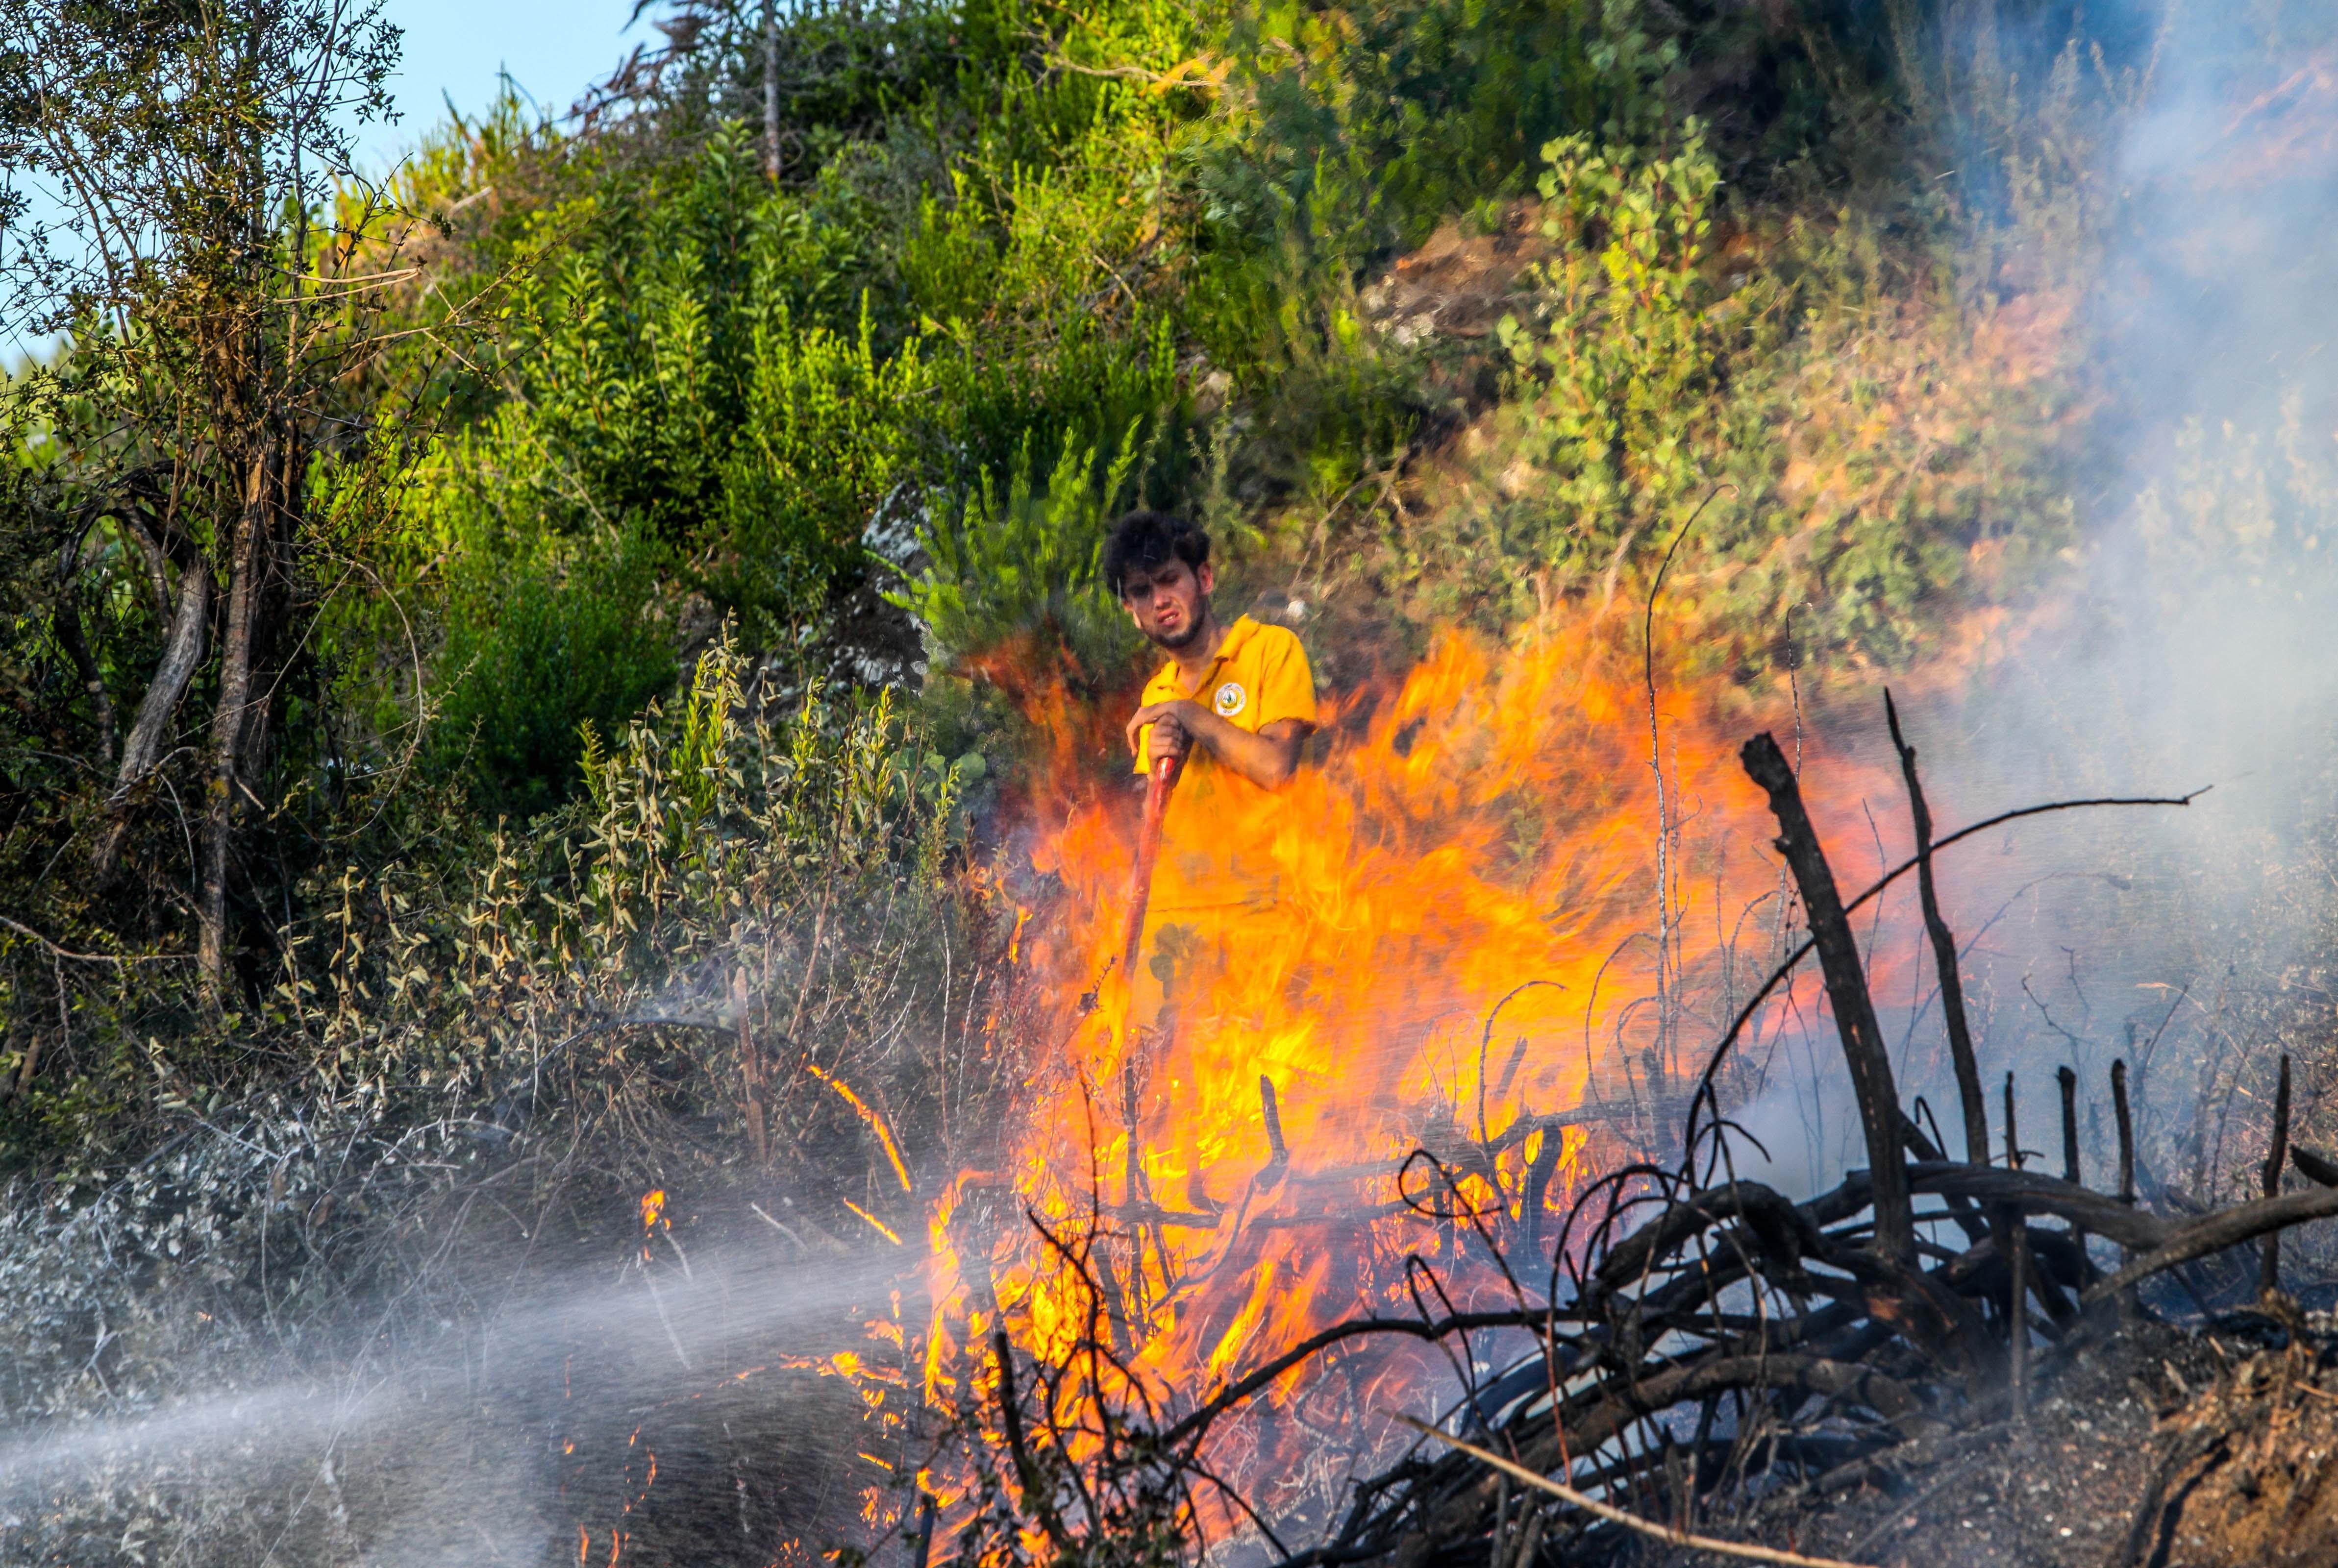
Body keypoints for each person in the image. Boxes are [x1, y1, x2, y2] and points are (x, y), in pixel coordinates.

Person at [1103, 510, 1317, 1054]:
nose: (1160, 600)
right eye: (1142, 592)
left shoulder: (1271, 649)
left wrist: (1189, 715)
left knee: (1270, 1087)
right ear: (1131, 613)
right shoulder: (1156, 696)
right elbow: (1149, 833)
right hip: (1173, 929)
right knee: (1153, 1097)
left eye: (1170, 579)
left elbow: (1276, 768)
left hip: (1262, 916)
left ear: (1204, 578)